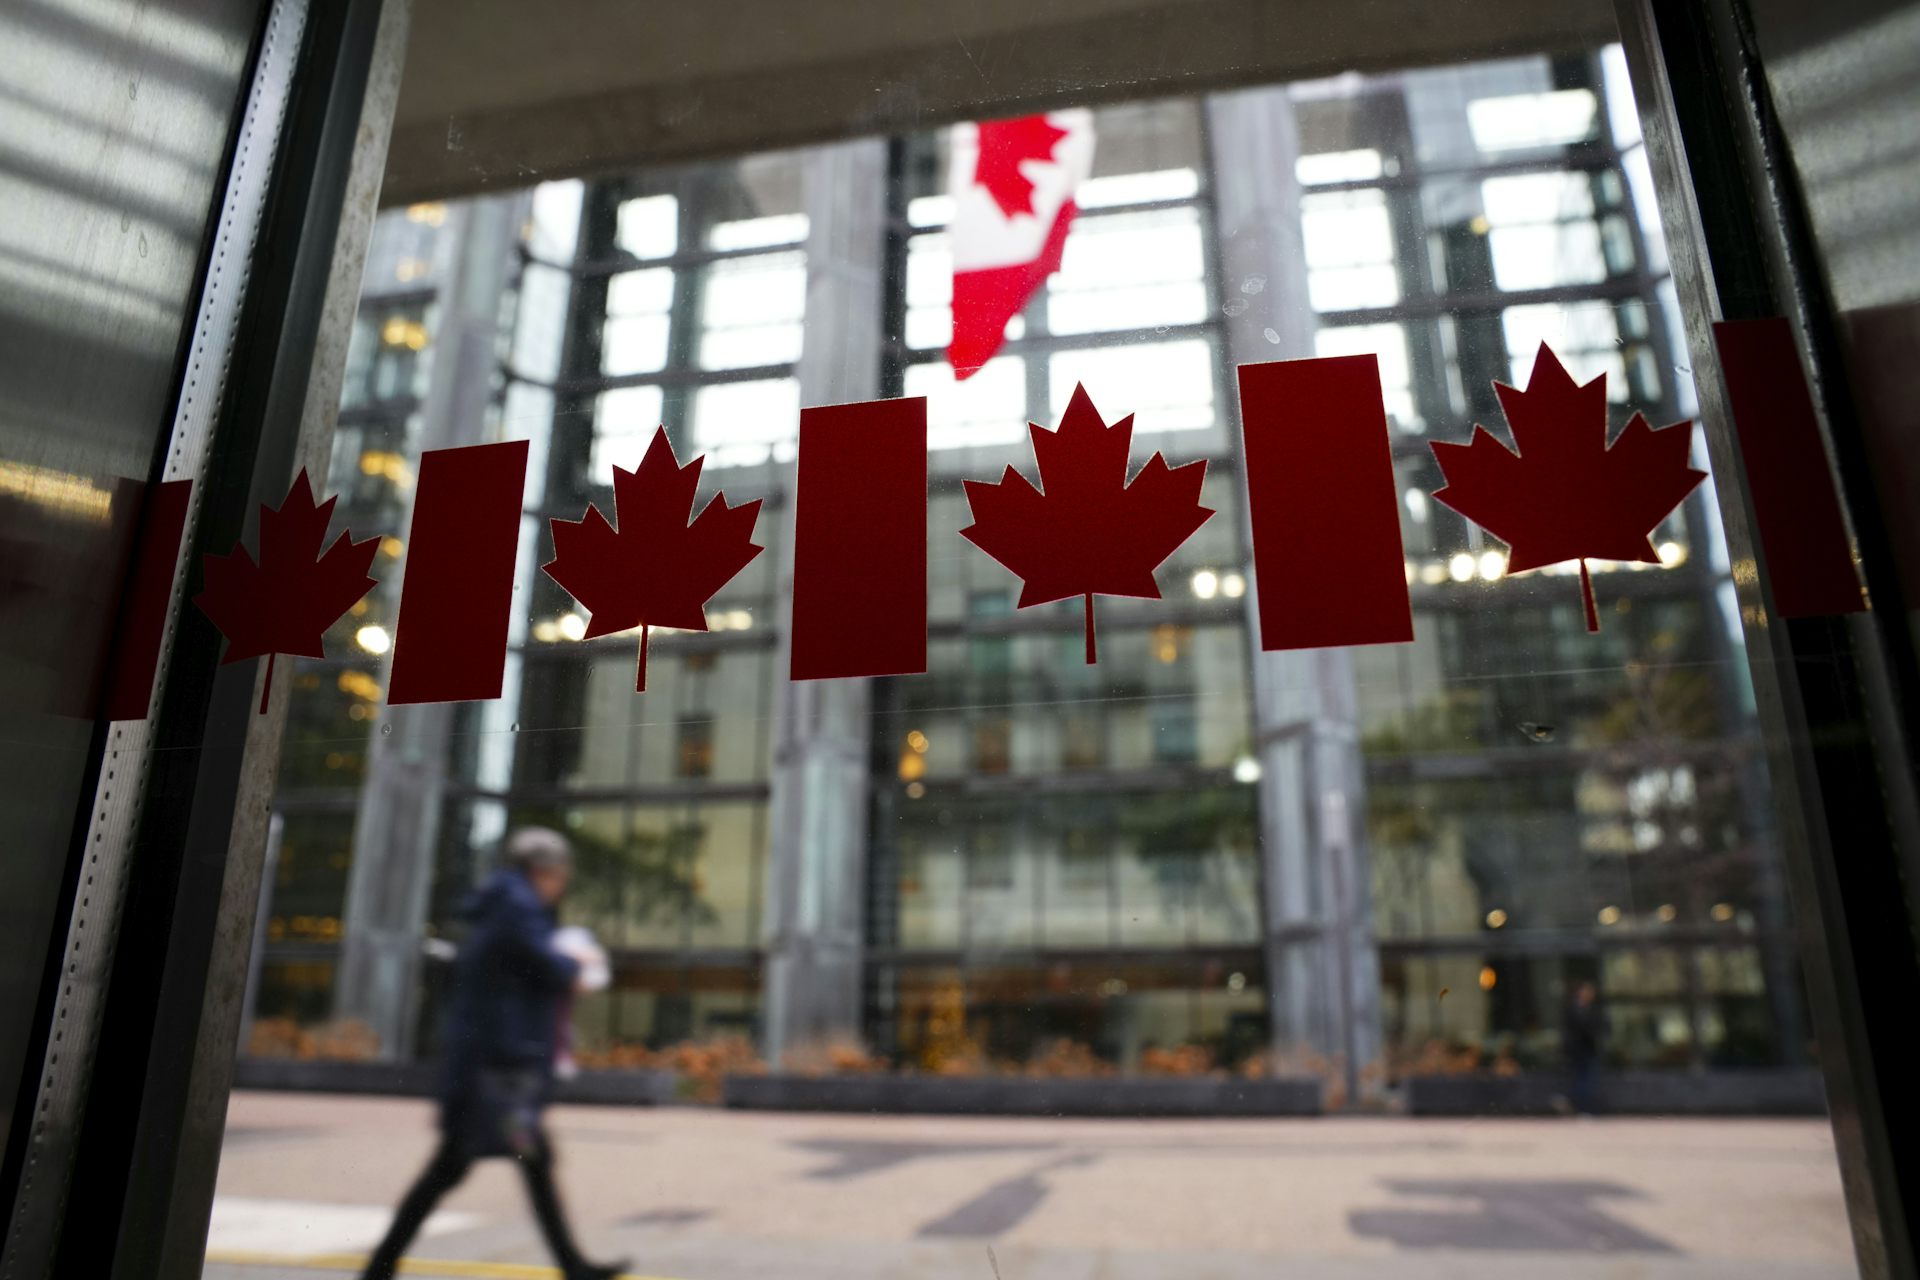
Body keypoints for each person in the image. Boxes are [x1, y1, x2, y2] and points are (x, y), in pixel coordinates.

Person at [360, 828, 626, 1280]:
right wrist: (576, 965)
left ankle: (379, 1270)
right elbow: (546, 965)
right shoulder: (517, 909)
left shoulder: (507, 906)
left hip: (489, 1071)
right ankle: (378, 1270)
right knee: (492, 1164)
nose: (561, 885)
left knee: (490, 1165)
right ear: (544, 871)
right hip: (495, 1075)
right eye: (561, 876)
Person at [1562, 980, 1605, 1116]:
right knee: (1581, 1080)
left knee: (1589, 1080)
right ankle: (1579, 1106)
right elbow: (1570, 1030)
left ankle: (1584, 1106)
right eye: (1586, 992)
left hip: (1589, 1051)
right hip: (1577, 1052)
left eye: (1590, 992)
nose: (1589, 995)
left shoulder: (1593, 1010)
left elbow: (1598, 1028)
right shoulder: (1572, 1009)